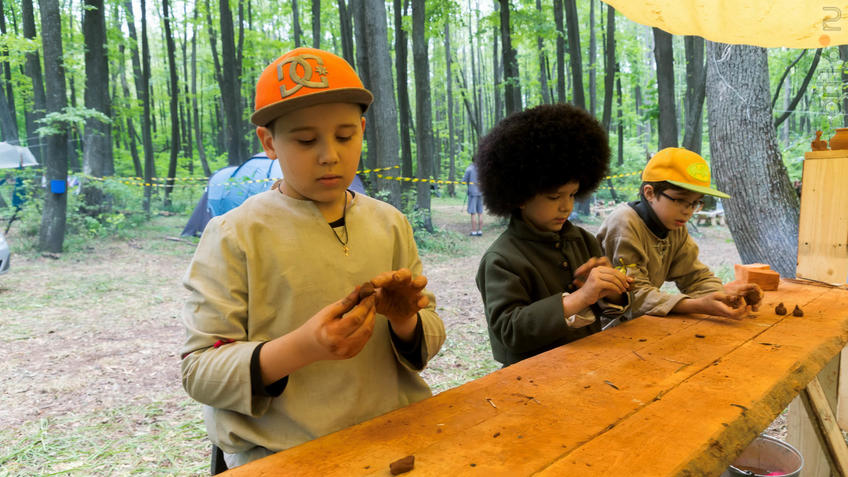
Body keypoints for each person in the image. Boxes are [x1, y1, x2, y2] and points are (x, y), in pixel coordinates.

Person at [180, 47, 445, 469]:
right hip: (282, 456)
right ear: (269, 142)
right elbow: (199, 371)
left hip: (392, 438)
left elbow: (429, 335)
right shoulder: (234, 234)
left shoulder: (390, 223)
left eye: (345, 136)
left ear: (361, 130)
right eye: (305, 140)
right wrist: (302, 347)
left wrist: (405, 320)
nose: (329, 154)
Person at [474, 104, 632, 367]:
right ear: (520, 197)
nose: (566, 206)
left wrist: (611, 290)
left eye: (572, 194)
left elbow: (605, 310)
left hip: (589, 367)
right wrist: (579, 298)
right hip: (530, 380)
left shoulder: (584, 240)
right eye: (554, 196)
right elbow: (509, 331)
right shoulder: (501, 259)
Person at [596, 147, 762, 321]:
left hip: (640, 322)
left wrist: (726, 297)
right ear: (650, 193)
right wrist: (697, 305)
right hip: (604, 328)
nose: (688, 211)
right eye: (681, 200)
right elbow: (634, 295)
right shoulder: (624, 223)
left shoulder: (673, 224)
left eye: (695, 203)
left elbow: (694, 276)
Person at [462, 162, 483, 236]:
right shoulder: (481, 169)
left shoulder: (469, 169)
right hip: (481, 193)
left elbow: (463, 181)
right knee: (480, 212)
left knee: (473, 213)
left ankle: (474, 231)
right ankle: (480, 231)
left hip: (472, 193)